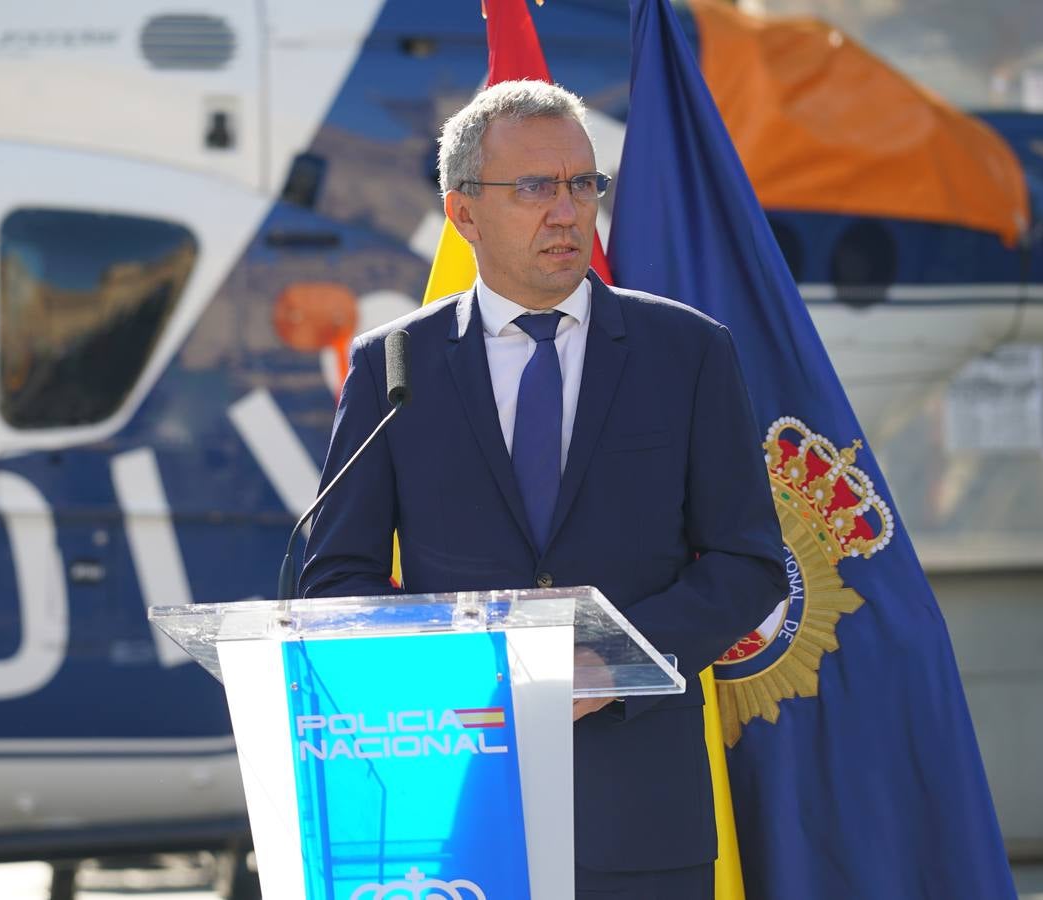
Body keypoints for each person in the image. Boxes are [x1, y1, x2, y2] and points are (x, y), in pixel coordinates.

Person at [299, 80, 786, 898]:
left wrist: (610, 662)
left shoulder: (687, 351)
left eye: (583, 183)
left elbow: (747, 563)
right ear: (463, 214)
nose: (567, 211)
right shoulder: (394, 365)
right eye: (534, 187)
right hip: (452, 812)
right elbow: (334, 579)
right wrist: (463, 673)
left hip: (639, 818)